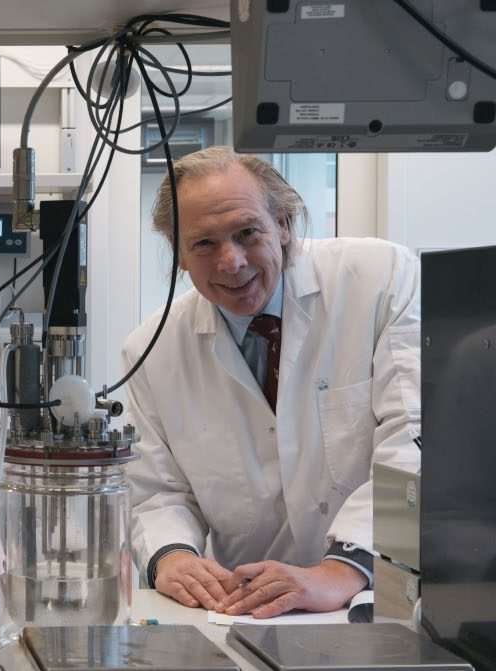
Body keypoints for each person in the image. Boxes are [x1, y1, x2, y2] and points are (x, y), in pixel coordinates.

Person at [123, 146, 420, 619]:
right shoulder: (151, 351)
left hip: (375, 591)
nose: (231, 262)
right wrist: (172, 556)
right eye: (203, 244)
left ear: (282, 225)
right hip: (247, 609)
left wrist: (342, 569)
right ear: (179, 254)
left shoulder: (379, 281)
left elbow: (412, 440)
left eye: (247, 233)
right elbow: (158, 492)